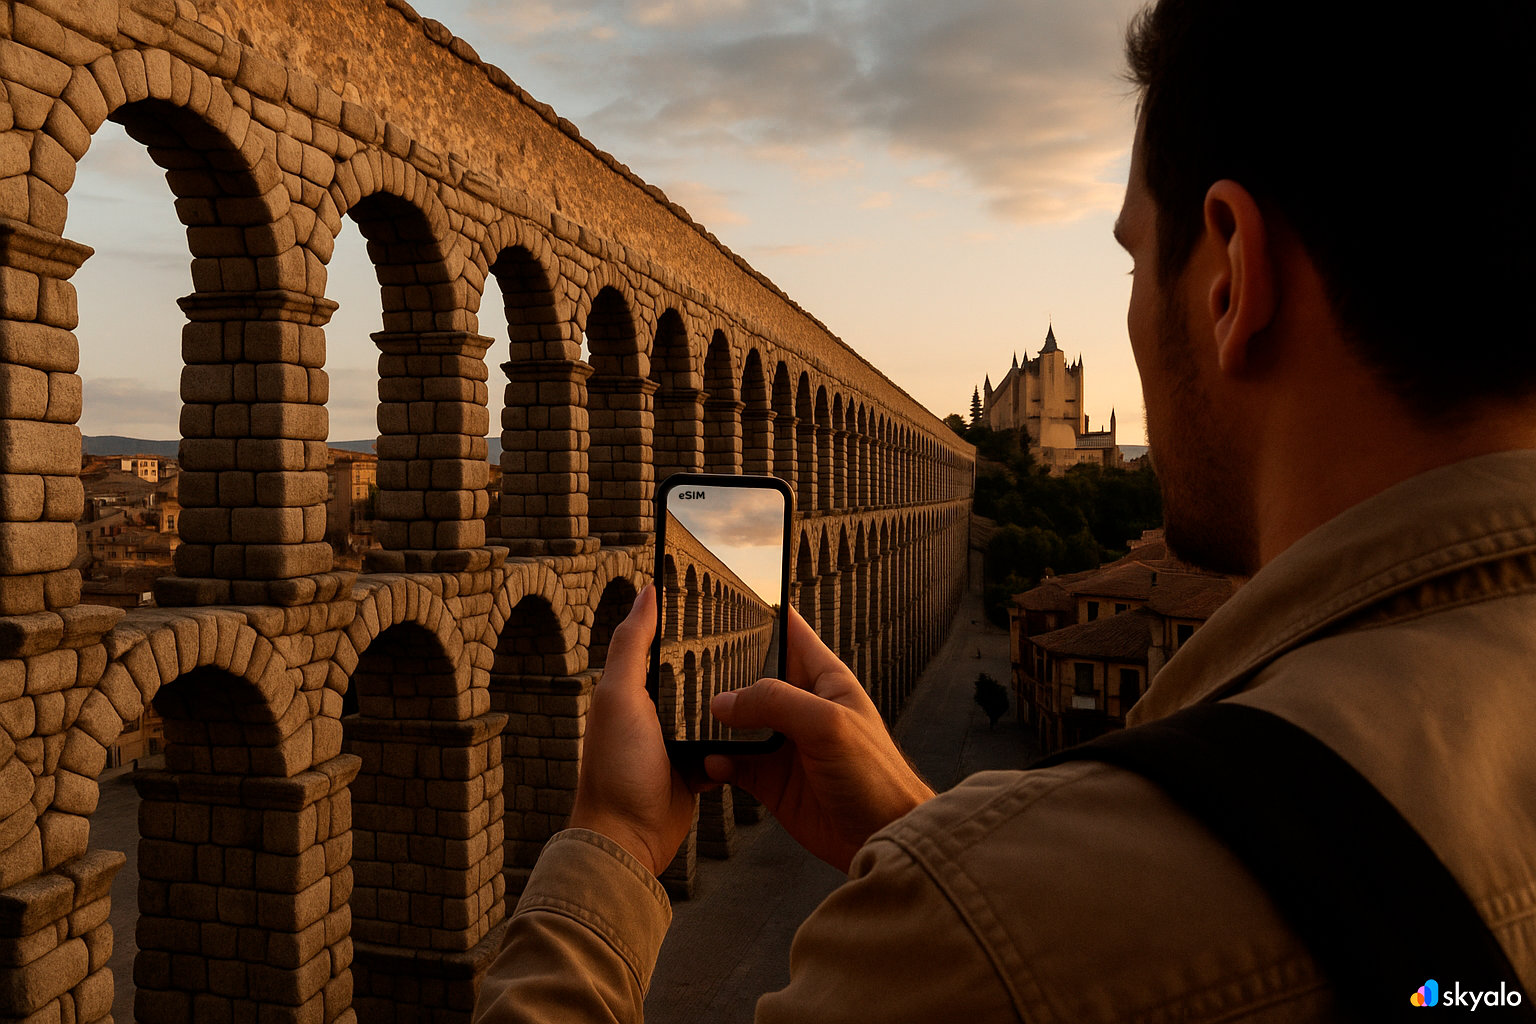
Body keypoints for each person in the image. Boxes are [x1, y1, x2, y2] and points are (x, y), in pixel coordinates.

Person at [474, 1, 1536, 1020]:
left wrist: (608, 845)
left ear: (1229, 275)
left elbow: (1046, 950)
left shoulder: (987, 942)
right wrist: (934, 839)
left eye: (1132, 256)